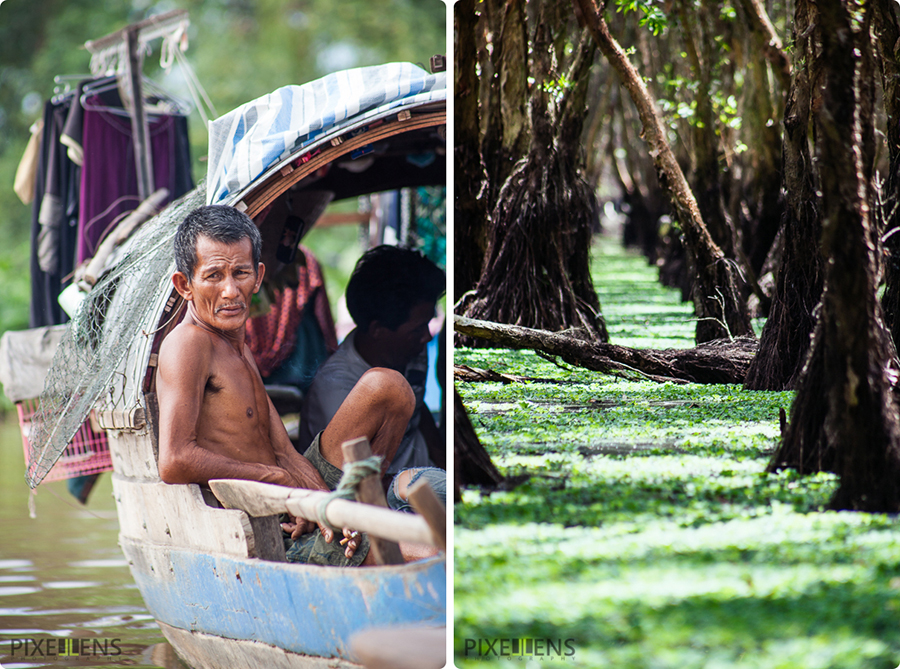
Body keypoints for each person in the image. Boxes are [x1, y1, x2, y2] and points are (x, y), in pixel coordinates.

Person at [155, 205, 430, 566]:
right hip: (268, 519)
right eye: (213, 276)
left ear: (258, 275)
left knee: (389, 386)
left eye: (240, 273)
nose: (230, 291)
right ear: (184, 285)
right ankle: (354, 534)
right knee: (435, 554)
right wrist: (276, 480)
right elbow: (174, 460)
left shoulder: (236, 346)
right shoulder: (188, 344)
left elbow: (286, 453)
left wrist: (328, 504)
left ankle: (361, 511)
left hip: (291, 496)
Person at [298, 245, 447, 509]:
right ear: (378, 329)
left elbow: (418, 406)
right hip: (379, 500)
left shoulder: (410, 348)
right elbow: (349, 485)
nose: (426, 337)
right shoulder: (337, 390)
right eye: (417, 329)